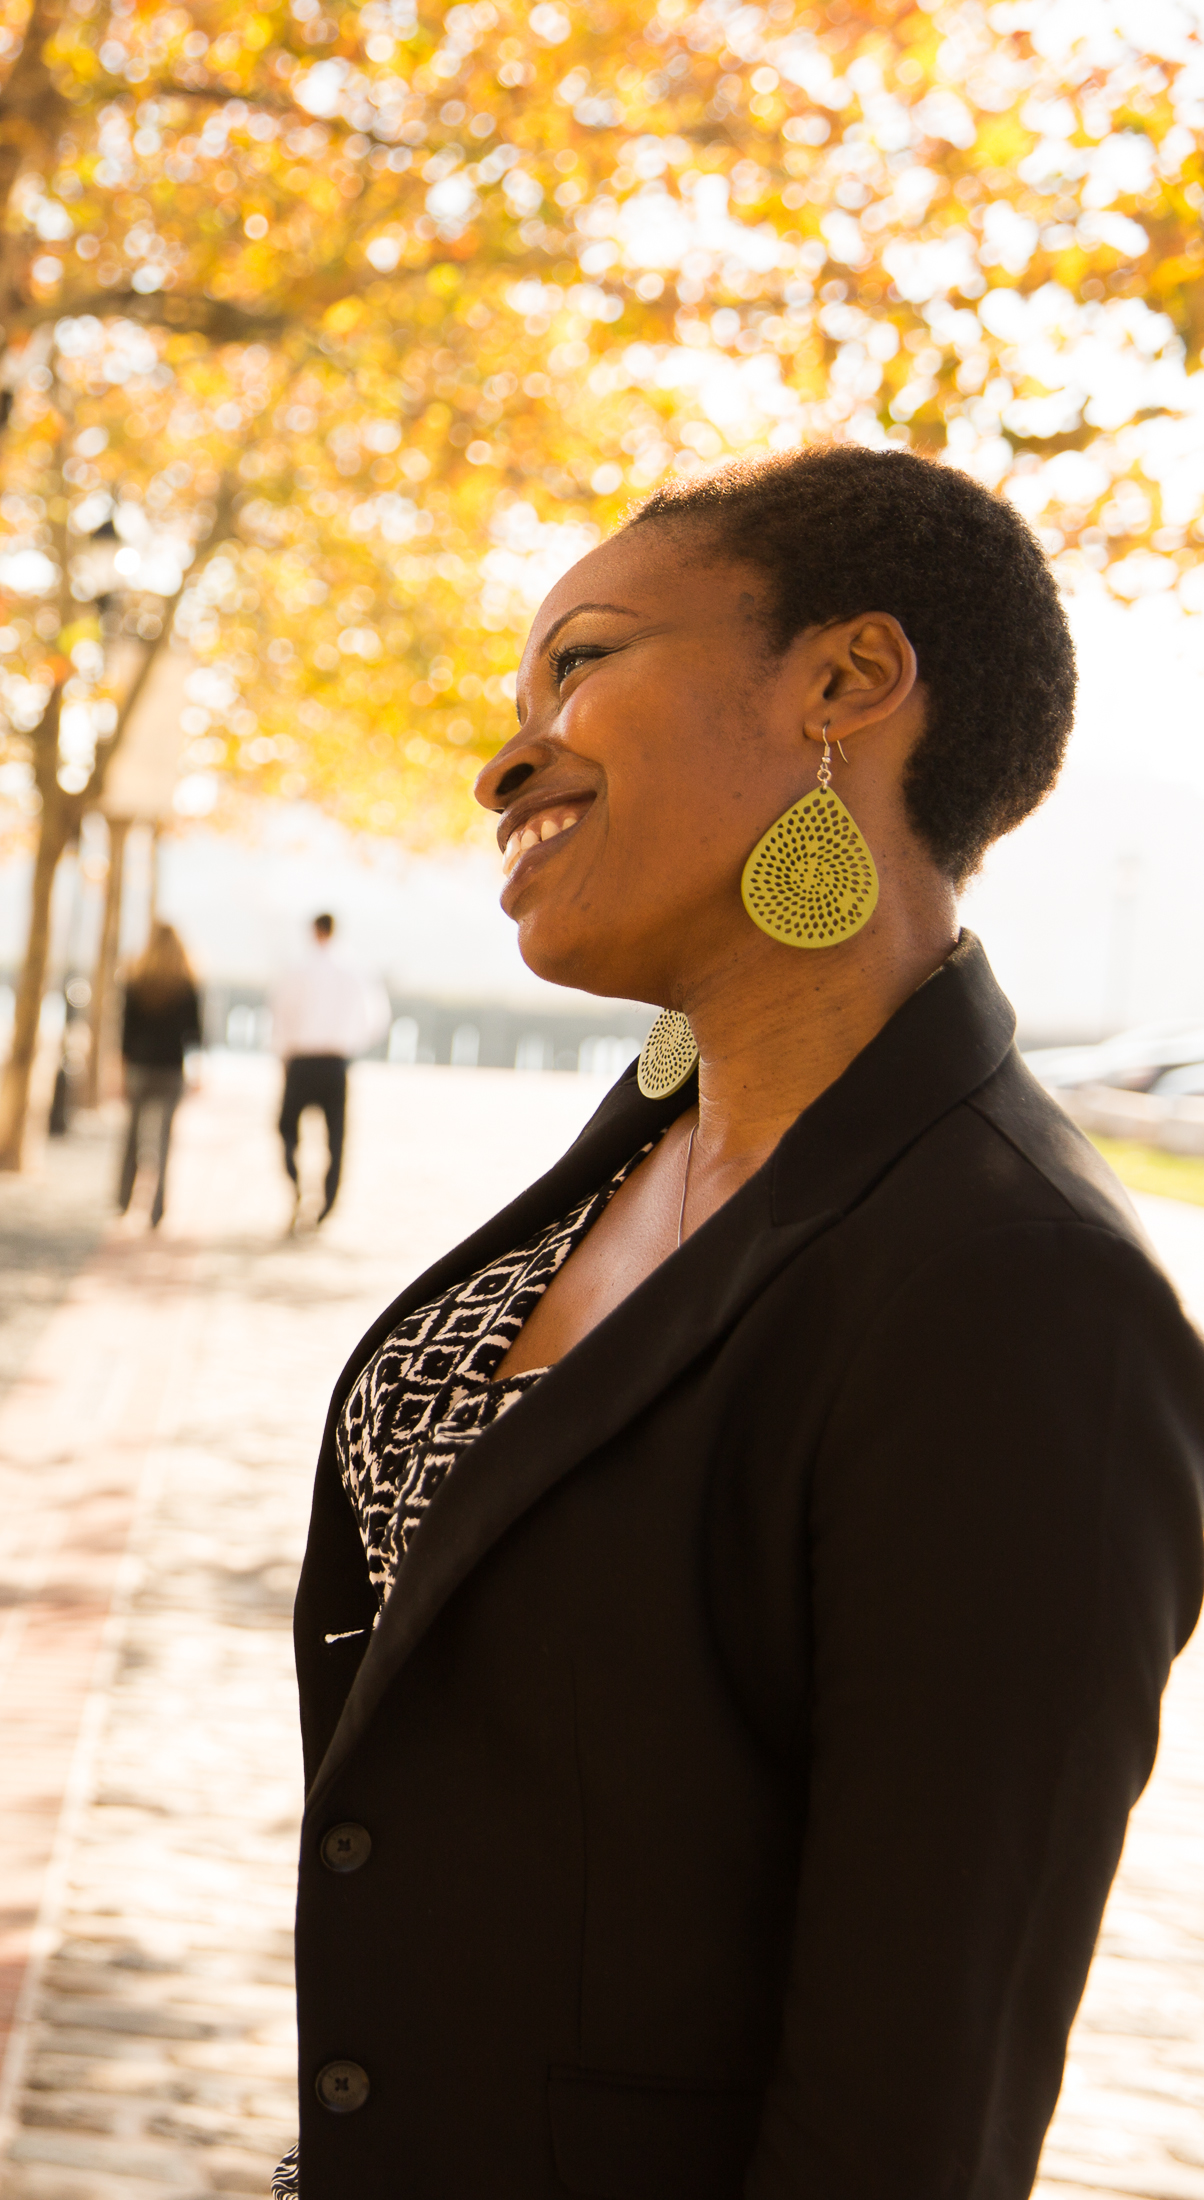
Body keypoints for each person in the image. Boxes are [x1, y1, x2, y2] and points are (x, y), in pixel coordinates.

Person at [280, 444, 1204, 2197]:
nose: (508, 752)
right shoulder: (639, 1150)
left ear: (846, 684)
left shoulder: (1025, 1302)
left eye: (585, 659)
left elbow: (911, 2114)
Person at [267, 912, 390, 1228]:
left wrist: (283, 1055)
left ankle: (296, 1185)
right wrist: (350, 1046)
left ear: (313, 931)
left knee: (286, 1130)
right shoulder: (355, 969)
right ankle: (326, 1204)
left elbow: (280, 1014)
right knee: (335, 1139)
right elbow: (375, 1017)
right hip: (336, 1061)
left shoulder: (297, 968)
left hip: (302, 1060)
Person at [115, 924, 205, 1229]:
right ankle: (157, 1209)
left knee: (132, 1135)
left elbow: (125, 1033)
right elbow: (195, 1036)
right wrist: (198, 1073)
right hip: (170, 1070)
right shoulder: (186, 983)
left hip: (140, 1068)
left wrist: (120, 1070)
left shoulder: (137, 978)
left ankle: (123, 1199)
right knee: (164, 1140)